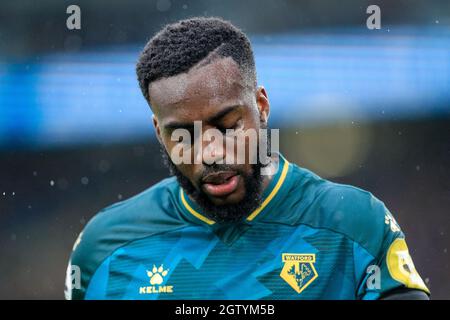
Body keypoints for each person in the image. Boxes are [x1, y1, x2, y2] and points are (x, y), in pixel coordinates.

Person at [65, 17, 430, 300]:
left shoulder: (355, 225)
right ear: (159, 133)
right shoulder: (105, 249)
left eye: (226, 125)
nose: (211, 152)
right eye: (182, 135)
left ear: (261, 106)